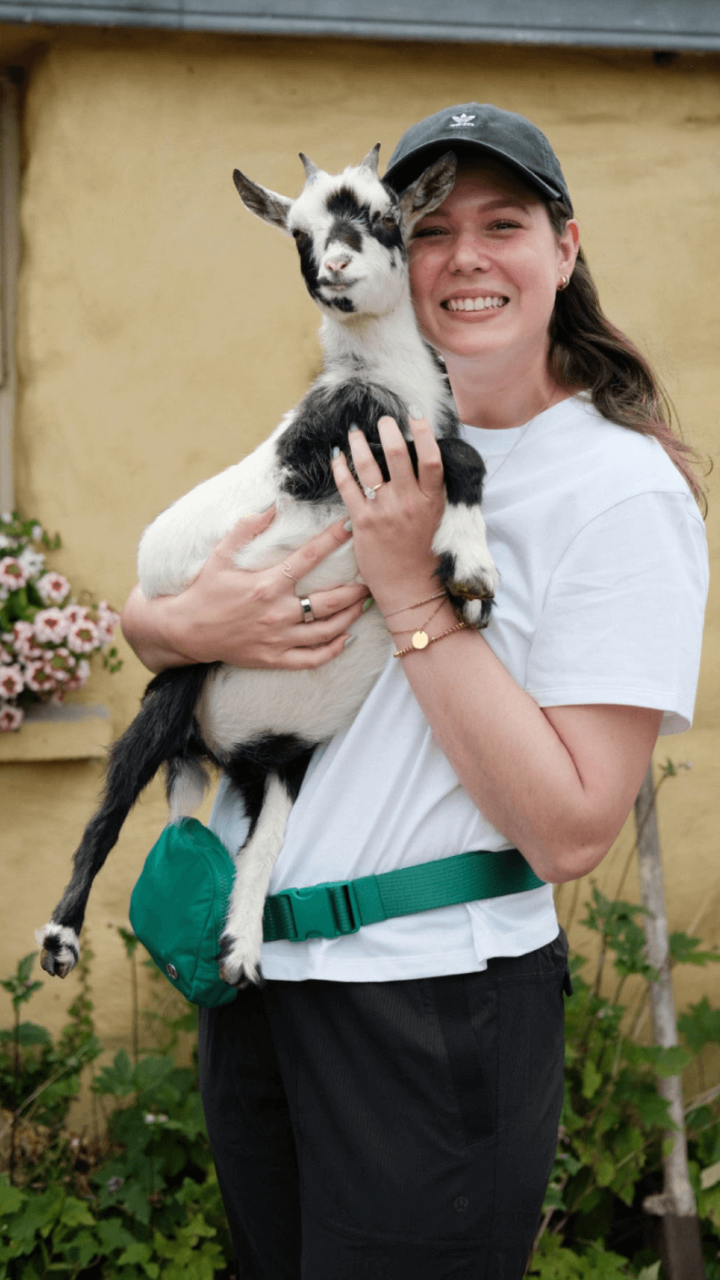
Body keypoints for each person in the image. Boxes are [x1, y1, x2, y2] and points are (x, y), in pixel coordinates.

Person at [121, 103, 708, 1279]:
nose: (466, 256)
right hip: (258, 984)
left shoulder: (617, 489)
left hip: (431, 1001)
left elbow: (576, 822)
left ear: (566, 247)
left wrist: (412, 587)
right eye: (432, 227)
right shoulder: (335, 422)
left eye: (507, 223)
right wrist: (160, 625)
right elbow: (194, 601)